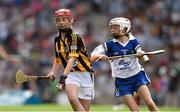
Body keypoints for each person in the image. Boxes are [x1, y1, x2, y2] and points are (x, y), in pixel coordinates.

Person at [90, 17, 159, 111]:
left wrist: (141, 55)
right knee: (135, 110)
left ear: (124, 28)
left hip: (137, 76)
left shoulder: (133, 41)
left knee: (150, 104)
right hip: (122, 81)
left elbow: (144, 58)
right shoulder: (109, 45)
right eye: (112, 27)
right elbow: (92, 56)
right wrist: (99, 56)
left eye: (115, 27)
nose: (112, 30)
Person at [47, 9, 94, 112]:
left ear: (71, 20)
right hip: (71, 74)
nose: (61, 22)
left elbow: (72, 59)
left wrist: (63, 76)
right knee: (73, 99)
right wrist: (53, 72)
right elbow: (57, 58)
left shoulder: (75, 37)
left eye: (64, 19)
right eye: (58, 20)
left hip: (85, 74)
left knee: (84, 109)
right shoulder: (56, 40)